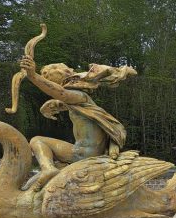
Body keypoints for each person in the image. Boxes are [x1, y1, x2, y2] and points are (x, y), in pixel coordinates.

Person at [19, 56, 136, 190]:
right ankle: (45, 173)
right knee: (29, 186)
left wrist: (33, 76)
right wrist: (51, 104)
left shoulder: (79, 96)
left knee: (37, 140)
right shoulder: (77, 100)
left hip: (84, 154)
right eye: (64, 68)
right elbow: (63, 99)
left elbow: (62, 94)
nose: (72, 69)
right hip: (82, 151)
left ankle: (48, 168)